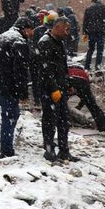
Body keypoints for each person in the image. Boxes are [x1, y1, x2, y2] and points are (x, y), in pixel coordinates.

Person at [0, 17, 34, 158]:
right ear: (24, 29)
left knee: (8, 115)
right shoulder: (19, 42)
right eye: (30, 29)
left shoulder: (2, 37)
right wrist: (23, 93)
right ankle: (6, 150)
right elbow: (20, 71)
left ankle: (6, 146)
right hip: (9, 86)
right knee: (10, 116)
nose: (32, 33)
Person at [38, 16, 77, 162]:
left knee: (63, 121)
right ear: (58, 26)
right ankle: (49, 150)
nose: (68, 33)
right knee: (49, 120)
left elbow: (62, 67)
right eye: (66, 29)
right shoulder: (45, 42)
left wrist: (68, 84)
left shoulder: (59, 42)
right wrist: (53, 88)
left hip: (61, 88)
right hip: (50, 90)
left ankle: (64, 150)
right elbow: (46, 69)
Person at [68, 65, 105, 138]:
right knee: (93, 107)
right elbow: (85, 97)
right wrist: (79, 107)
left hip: (69, 81)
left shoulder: (68, 71)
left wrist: (77, 107)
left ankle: (63, 122)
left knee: (60, 104)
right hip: (80, 83)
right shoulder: (84, 75)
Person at [82, 0, 105, 70]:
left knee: (90, 49)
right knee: (100, 50)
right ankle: (98, 67)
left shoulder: (88, 9)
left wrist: (85, 33)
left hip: (91, 32)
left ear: (93, 1)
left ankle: (87, 66)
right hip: (101, 32)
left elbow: (85, 22)